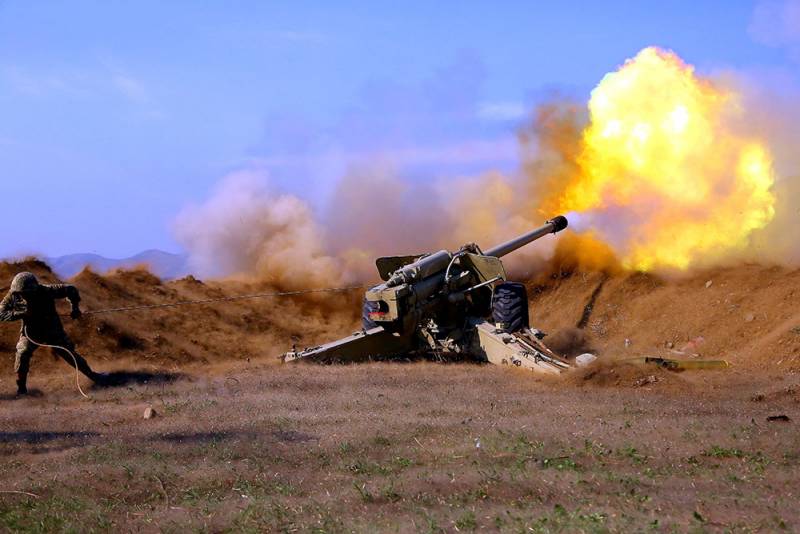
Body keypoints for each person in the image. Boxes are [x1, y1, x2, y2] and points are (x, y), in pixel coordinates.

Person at [0, 272, 105, 395]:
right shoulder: (12, 296)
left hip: (52, 329)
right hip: (31, 333)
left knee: (69, 354)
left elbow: (71, 290)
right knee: (22, 353)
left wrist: (75, 308)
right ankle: (21, 389)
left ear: (34, 289)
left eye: (27, 292)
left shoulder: (47, 290)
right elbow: (1, 313)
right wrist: (20, 314)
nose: (23, 295)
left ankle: (93, 376)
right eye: (20, 293)